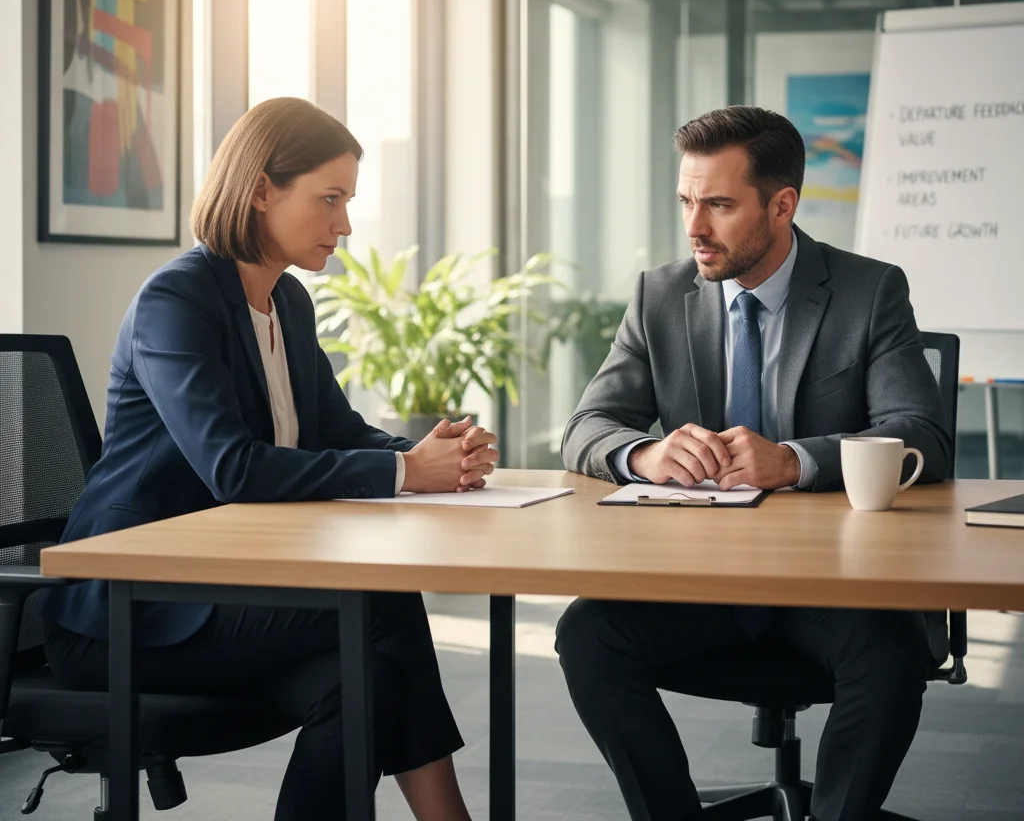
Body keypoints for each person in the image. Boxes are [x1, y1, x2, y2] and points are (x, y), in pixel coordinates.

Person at [40, 97, 496, 821]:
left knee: (368, 680)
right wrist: (409, 473)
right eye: (330, 199)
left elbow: (337, 431)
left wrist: (429, 454)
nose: (344, 224)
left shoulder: (287, 302)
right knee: (380, 603)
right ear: (260, 190)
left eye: (348, 202)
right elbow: (235, 469)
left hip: (216, 585)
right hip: (128, 607)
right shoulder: (176, 300)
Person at [556, 106, 953, 821]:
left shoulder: (868, 292)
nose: (694, 226)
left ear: (782, 205)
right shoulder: (659, 295)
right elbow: (587, 427)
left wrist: (794, 462)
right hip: (699, 579)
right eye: (686, 200)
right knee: (587, 635)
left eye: (718, 204)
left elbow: (922, 433)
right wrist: (645, 452)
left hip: (833, 584)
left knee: (890, 655)